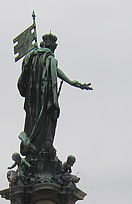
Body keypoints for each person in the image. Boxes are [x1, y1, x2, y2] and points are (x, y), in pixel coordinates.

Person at [17, 33, 92, 162]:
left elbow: (53, 71)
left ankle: (38, 145)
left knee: (37, 119)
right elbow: (55, 71)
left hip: (34, 97)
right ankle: (37, 145)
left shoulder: (36, 57)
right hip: (42, 97)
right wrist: (72, 82)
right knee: (43, 119)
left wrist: (72, 82)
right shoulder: (46, 58)